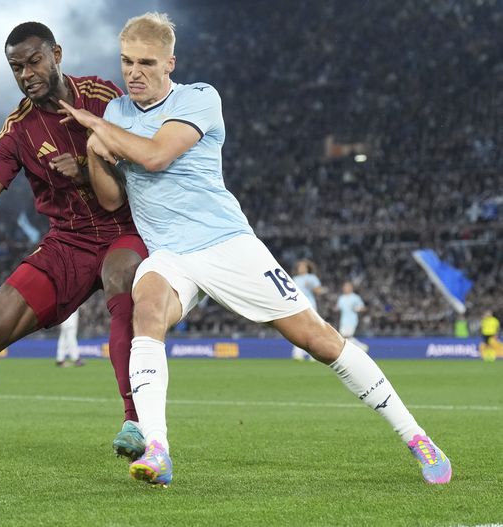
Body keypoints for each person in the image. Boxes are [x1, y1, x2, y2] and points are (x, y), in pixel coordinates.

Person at [58, 11, 451, 487]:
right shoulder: (117, 114)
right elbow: (110, 198)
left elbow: (156, 155)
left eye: (145, 62)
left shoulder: (200, 98)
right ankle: (157, 448)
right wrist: (97, 155)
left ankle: (418, 439)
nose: (133, 72)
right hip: (169, 252)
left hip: (226, 244)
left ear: (170, 63)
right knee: (148, 307)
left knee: (318, 339)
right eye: (126, 62)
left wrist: (93, 126)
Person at [0, 22, 148, 480]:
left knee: (123, 282)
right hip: (69, 242)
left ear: (56, 54)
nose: (26, 74)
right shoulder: (17, 129)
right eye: (16, 67)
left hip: (125, 228)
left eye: (34, 62)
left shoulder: (103, 96)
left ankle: (134, 421)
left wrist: (84, 168)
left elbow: (140, 157)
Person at [290, 260, 325, 361]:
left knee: (313, 329)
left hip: (310, 305)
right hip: (297, 306)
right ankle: (298, 353)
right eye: (300, 267)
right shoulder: (295, 279)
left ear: (307, 268)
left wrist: (311, 286)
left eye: (303, 267)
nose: (301, 268)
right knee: (298, 329)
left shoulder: (312, 278)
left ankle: (314, 354)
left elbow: (319, 291)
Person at [336, 281, 369, 352]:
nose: (345, 288)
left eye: (347, 287)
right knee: (344, 338)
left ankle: (361, 347)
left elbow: (363, 308)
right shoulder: (341, 298)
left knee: (346, 337)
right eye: (344, 287)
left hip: (352, 320)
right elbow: (338, 307)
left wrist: (357, 309)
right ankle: (362, 347)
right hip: (343, 320)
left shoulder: (355, 297)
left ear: (351, 288)